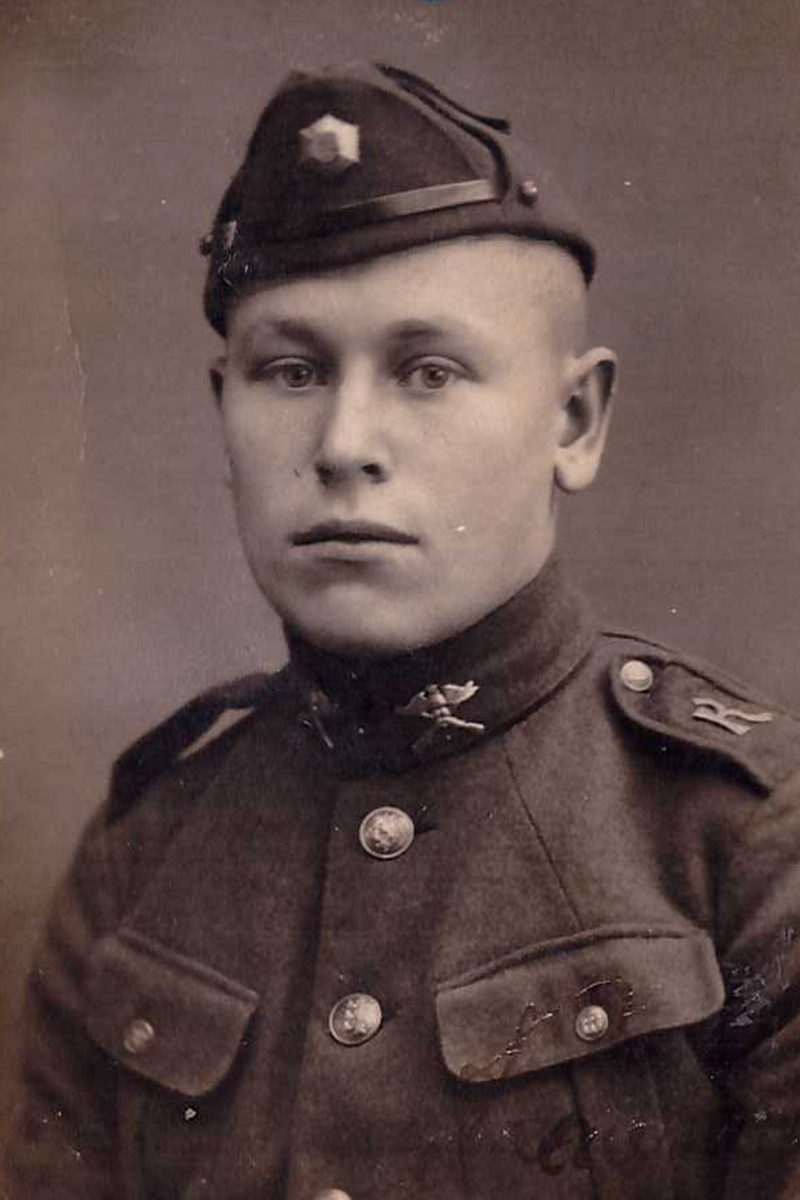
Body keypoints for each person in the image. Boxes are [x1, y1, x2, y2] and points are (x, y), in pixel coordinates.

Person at [5, 61, 800, 1200]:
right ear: (222, 410)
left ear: (573, 422)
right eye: (290, 372)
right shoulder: (144, 852)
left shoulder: (745, 839)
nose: (342, 444)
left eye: (427, 371)